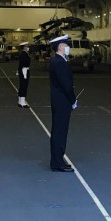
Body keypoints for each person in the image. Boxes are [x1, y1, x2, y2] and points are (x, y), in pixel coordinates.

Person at [47, 34, 77, 172]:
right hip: (62, 101)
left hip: (58, 100)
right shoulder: (60, 62)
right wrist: (73, 100)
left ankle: (57, 160)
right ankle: (58, 163)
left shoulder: (57, 61)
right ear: (60, 46)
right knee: (60, 132)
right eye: (65, 45)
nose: (67, 47)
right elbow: (66, 85)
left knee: (58, 131)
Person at [17, 41, 31, 108]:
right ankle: (22, 102)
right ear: (24, 47)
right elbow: (25, 63)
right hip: (24, 71)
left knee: (22, 86)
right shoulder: (24, 54)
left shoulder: (24, 53)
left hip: (23, 70)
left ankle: (20, 101)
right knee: (24, 86)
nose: (28, 47)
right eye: (27, 46)